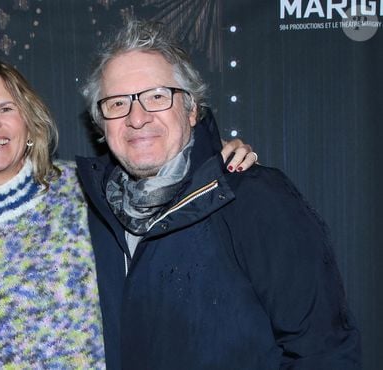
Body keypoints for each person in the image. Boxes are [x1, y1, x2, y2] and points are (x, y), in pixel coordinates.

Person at [0, 52, 256, 368]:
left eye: (5, 109)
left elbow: (164, 171)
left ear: (28, 123)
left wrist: (214, 154)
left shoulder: (87, 187)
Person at [77, 18, 361, 369]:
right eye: (118, 103)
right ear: (100, 122)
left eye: (156, 96)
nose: (137, 117)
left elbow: (324, 351)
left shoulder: (255, 196)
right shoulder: (85, 210)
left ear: (192, 109)